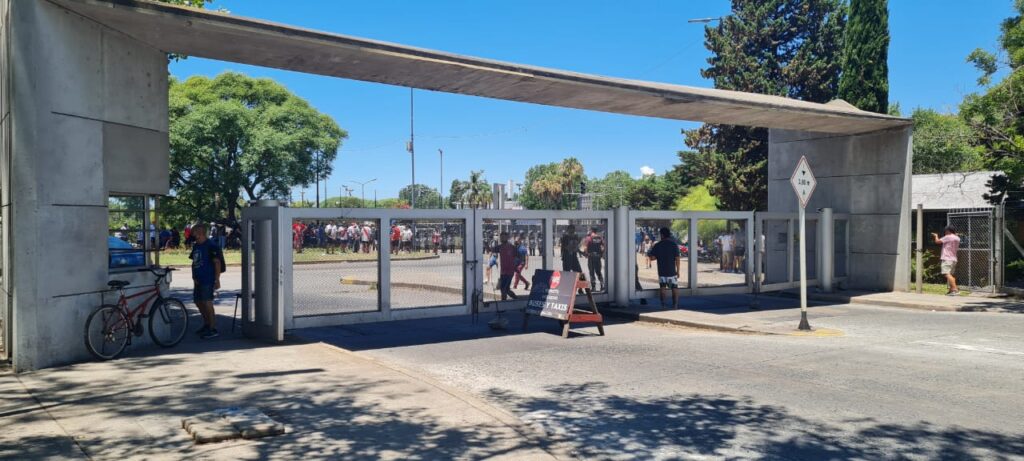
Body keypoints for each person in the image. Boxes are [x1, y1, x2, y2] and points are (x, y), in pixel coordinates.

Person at [189, 222, 223, 339]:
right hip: (198, 279)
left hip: (208, 278)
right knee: (198, 302)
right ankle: (206, 324)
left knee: (207, 302)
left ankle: (213, 328)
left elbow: (217, 262)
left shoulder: (210, 245)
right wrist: (194, 276)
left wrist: (217, 279)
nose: (193, 234)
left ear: (200, 233)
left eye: (194, 232)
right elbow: (194, 262)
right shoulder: (196, 246)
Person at [647, 227, 682, 309]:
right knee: (674, 288)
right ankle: (675, 305)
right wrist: (678, 271)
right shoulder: (674, 245)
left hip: (662, 271)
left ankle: (663, 305)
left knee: (662, 288)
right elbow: (677, 258)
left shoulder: (658, 245)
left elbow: (652, 258)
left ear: (662, 235)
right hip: (672, 271)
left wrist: (650, 252)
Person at [933, 226, 961, 296]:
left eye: (945, 231)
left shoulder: (948, 237)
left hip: (947, 258)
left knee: (946, 274)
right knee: (950, 274)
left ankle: (955, 289)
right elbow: (954, 237)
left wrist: (936, 236)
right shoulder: (957, 238)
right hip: (953, 259)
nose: (945, 232)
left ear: (948, 231)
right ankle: (951, 290)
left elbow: (937, 241)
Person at [496, 232, 518, 300]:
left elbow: (518, 257)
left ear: (507, 238)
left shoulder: (512, 247)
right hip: (503, 271)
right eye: (501, 237)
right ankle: (515, 298)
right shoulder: (500, 247)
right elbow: (490, 249)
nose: (502, 238)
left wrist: (515, 266)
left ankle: (503, 302)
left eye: (504, 237)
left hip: (510, 271)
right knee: (506, 289)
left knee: (503, 288)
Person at [583, 227, 605, 291]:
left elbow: (585, 248)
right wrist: (601, 253)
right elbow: (603, 246)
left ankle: (593, 287)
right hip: (598, 257)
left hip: (591, 257)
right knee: (598, 272)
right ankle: (602, 285)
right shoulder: (599, 238)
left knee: (592, 272)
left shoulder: (589, 238)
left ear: (591, 230)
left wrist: (586, 254)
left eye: (589, 230)